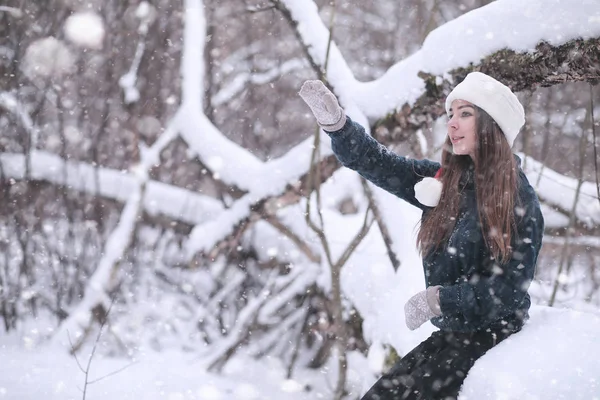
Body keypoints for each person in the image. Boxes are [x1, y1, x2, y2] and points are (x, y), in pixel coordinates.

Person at [298, 72, 544, 400]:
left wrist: (442, 299)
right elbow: (380, 164)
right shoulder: (445, 182)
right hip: (452, 336)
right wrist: (339, 127)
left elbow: (511, 291)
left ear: (492, 126)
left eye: (465, 114)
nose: (452, 124)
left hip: (489, 338)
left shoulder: (517, 198)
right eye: (450, 115)